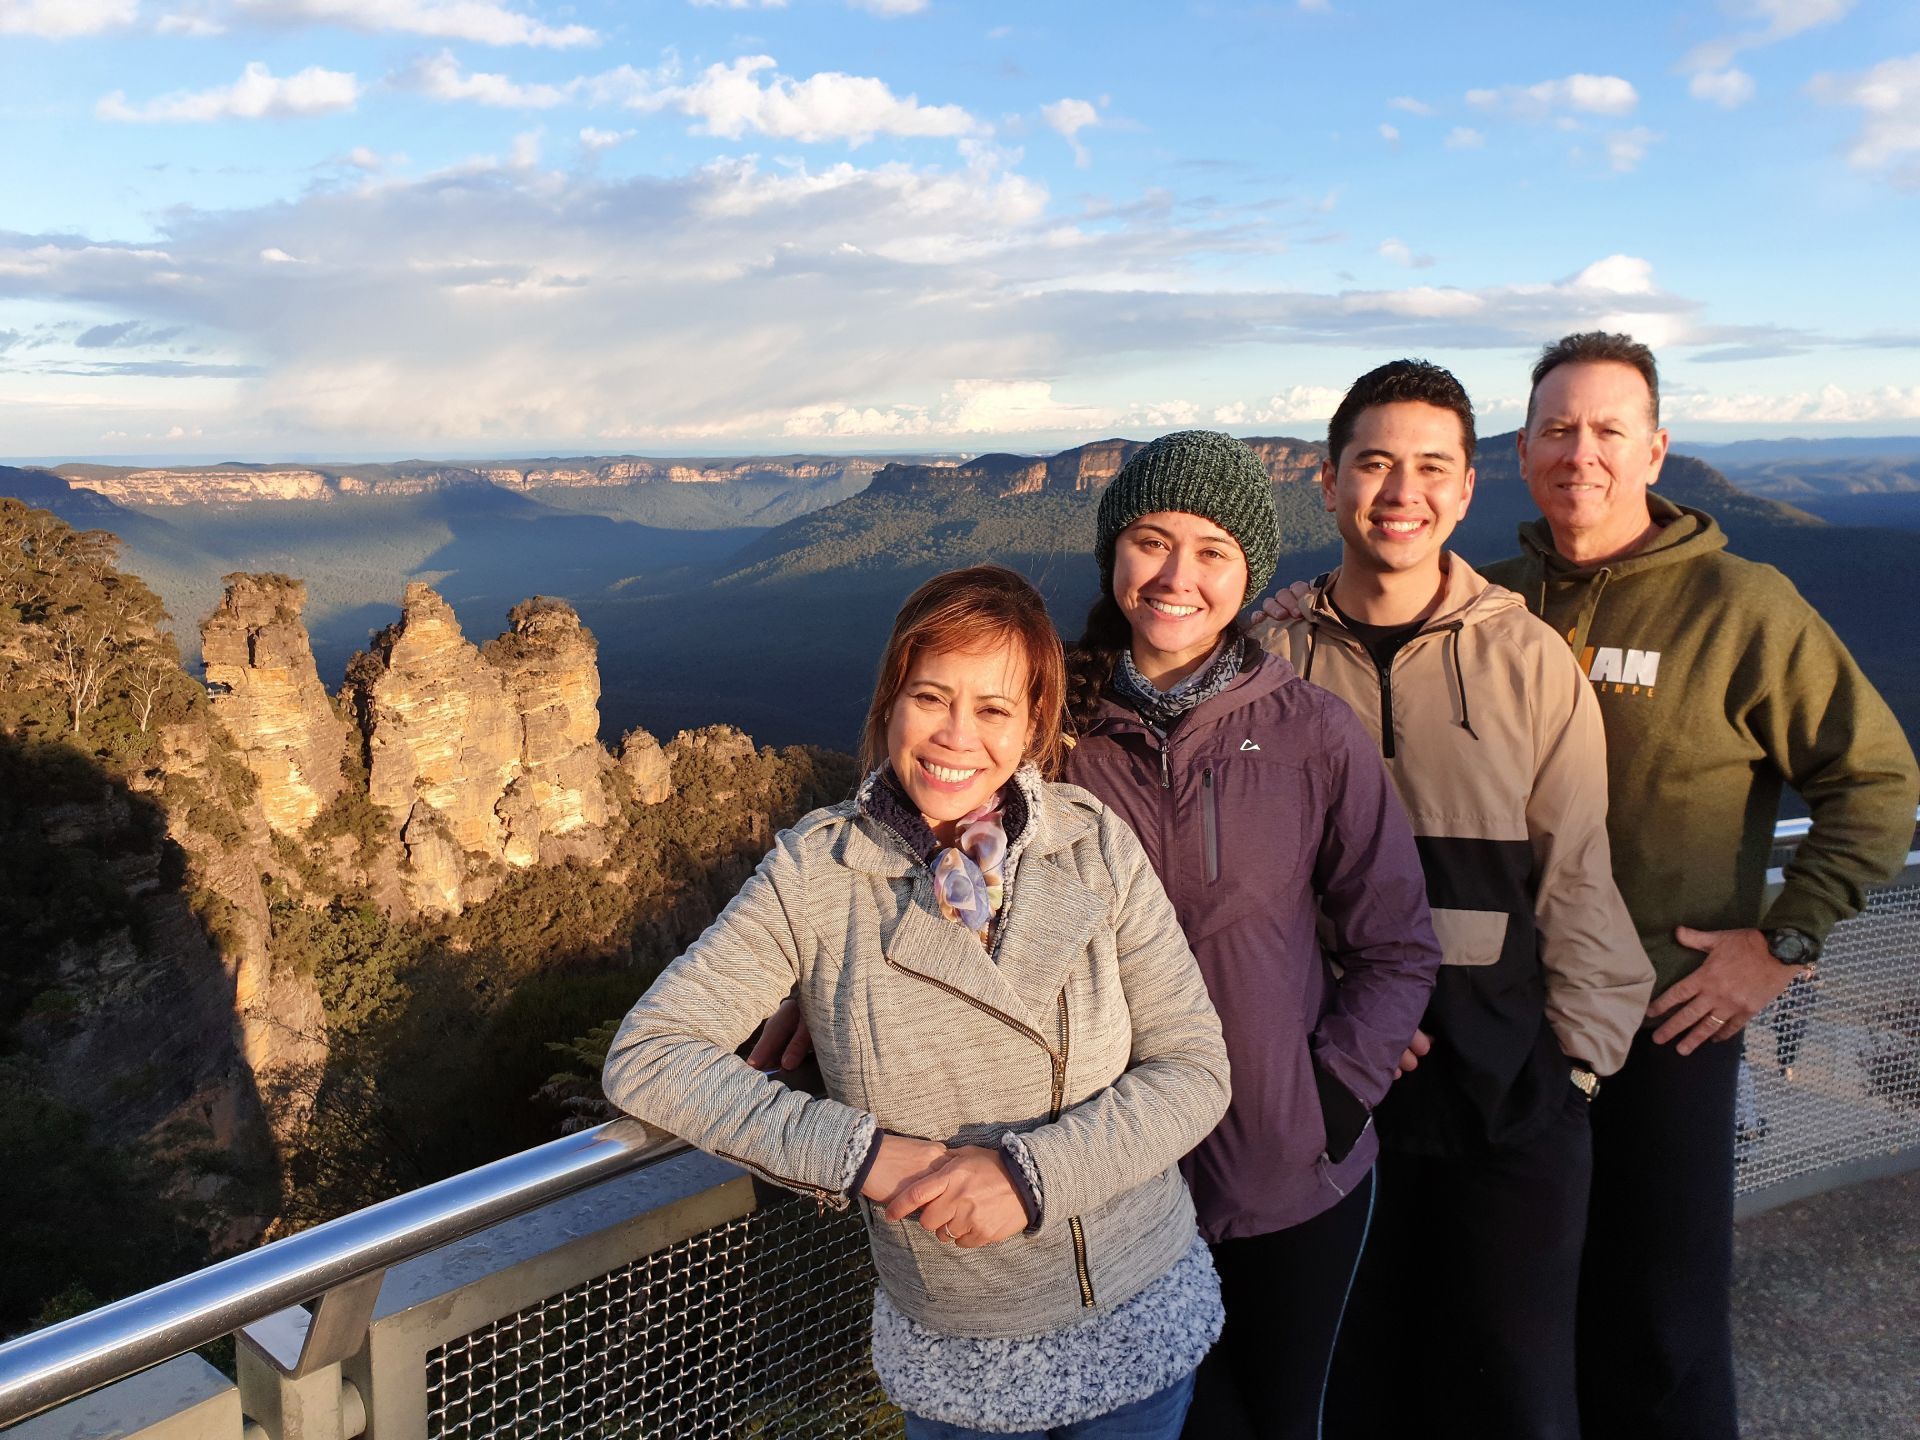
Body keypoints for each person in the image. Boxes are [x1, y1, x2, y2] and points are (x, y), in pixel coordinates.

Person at [603, 564, 1233, 1440]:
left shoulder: (1094, 845)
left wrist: (1029, 1175)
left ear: (1034, 726)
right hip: (962, 1358)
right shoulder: (817, 875)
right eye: (931, 697)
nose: (956, 736)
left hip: (1137, 1318)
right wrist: (862, 1154)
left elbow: (1195, 1069)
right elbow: (650, 1056)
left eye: (993, 710)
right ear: (890, 704)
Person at [1478, 333, 1919, 1438]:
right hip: (1506, 1023)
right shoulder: (1488, 601)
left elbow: (1875, 781)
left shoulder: (1740, 605)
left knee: (1662, 1328)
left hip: (1668, 1027)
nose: (1582, 452)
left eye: (1608, 430)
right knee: (1519, 1313)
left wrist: (1781, 946)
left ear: (1657, 450)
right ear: (1523, 450)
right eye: (1558, 429)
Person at [1250, 359, 1653, 1439]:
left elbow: (1575, 876)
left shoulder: (1527, 657)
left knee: (1514, 1394)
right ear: (1328, 482)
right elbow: (1231, 887)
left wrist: (1578, 1064)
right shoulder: (1264, 661)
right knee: (1348, 1389)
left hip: (1511, 1095)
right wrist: (1335, 1007)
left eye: (1432, 467)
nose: (1401, 492)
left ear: (1469, 490)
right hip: (1330, 1097)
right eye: (1374, 463)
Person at [1058, 430, 1442, 1440]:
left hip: (1285, 1171)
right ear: (1113, 553)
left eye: (1213, 550)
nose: (1177, 575)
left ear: (1248, 573)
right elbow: (931, 861)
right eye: (1149, 539)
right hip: (1107, 1173)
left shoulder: (1312, 730)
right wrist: (813, 980)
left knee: (1274, 1419)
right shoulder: (1052, 726)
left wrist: (1335, 1093)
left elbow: (1396, 939)